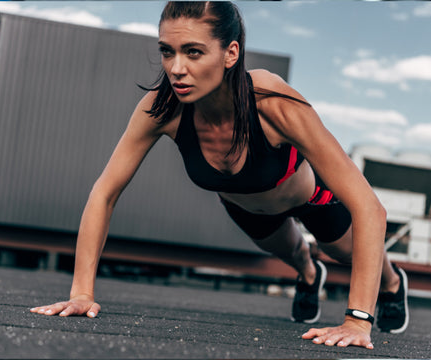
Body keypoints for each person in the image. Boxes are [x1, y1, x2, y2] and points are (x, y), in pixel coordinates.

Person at [30, 1, 409, 349]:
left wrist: (357, 320)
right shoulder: (161, 109)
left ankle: (392, 284)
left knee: (342, 251)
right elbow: (105, 192)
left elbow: (369, 208)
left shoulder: (273, 103)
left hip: (309, 196)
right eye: (167, 51)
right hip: (246, 206)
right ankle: (309, 276)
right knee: (291, 252)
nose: (177, 68)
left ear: (231, 53)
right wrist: (81, 292)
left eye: (193, 52)